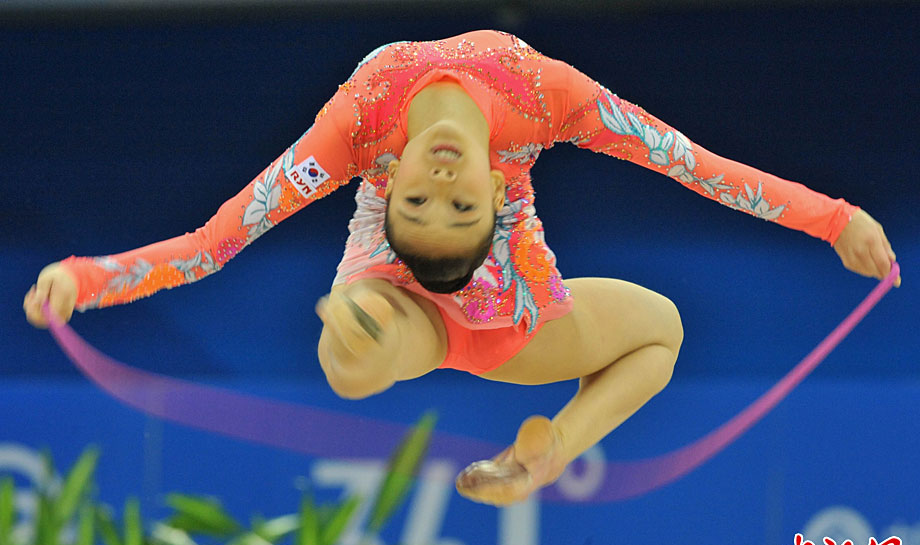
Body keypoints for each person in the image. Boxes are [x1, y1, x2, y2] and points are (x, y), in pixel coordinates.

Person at [23, 30, 898, 506]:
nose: (440, 186)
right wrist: (85, 280)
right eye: (443, 204)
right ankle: (361, 330)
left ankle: (547, 453)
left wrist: (837, 220)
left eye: (429, 202)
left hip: (504, 301)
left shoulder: (365, 123)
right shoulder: (535, 99)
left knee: (659, 332)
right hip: (403, 295)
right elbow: (213, 242)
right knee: (359, 358)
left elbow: (696, 166)